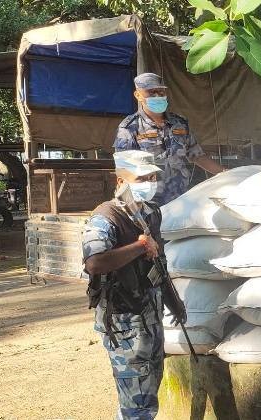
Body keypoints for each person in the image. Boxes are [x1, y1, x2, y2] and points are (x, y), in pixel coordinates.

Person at [82, 150, 182, 419]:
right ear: (120, 182)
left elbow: (157, 261)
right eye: (141, 178)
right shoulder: (106, 217)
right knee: (137, 403)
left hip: (150, 315)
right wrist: (139, 246)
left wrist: (173, 301)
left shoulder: (150, 214)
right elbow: (94, 262)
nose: (149, 183)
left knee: (147, 395)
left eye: (152, 177)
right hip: (123, 321)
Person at [114, 72, 224, 205]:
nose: (158, 96)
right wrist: (129, 203)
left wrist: (223, 172)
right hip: (149, 200)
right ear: (138, 95)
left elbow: (197, 155)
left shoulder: (180, 123)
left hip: (180, 196)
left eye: (161, 92)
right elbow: (124, 170)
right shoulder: (130, 127)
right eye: (151, 92)